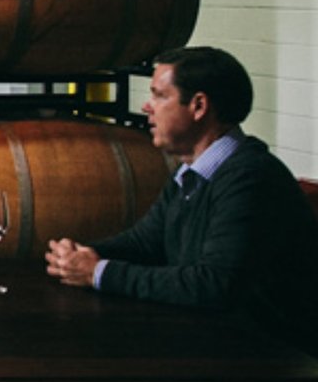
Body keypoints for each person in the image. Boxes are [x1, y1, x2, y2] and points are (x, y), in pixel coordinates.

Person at [46, 47, 318, 354]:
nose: (147, 106)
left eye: (160, 96)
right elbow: (146, 242)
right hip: (218, 345)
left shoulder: (250, 177)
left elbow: (214, 284)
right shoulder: (193, 172)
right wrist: (81, 255)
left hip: (272, 362)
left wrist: (99, 272)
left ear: (199, 106)